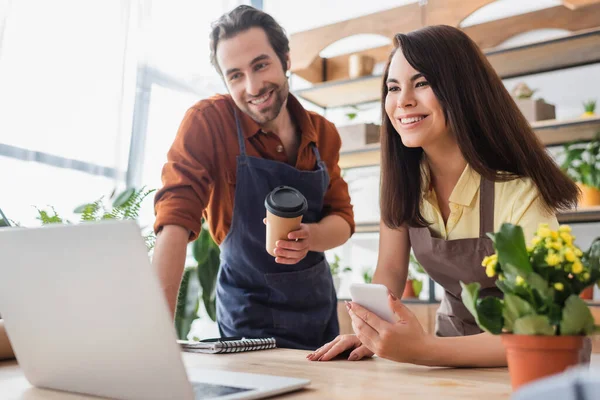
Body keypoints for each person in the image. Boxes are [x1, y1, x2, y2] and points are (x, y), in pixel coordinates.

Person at [308, 25, 583, 366]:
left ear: (462, 89)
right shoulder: (404, 182)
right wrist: (371, 332)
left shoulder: (519, 191)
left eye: (421, 83)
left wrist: (423, 350)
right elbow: (390, 271)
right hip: (450, 354)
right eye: (393, 88)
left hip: (527, 362)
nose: (403, 100)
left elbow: (539, 328)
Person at [152, 5, 354, 350]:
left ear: (286, 60)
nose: (253, 86)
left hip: (319, 319)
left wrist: (312, 236)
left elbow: (343, 220)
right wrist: (153, 340)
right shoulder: (209, 123)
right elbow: (174, 219)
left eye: (261, 65)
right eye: (235, 75)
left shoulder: (323, 133)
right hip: (247, 324)